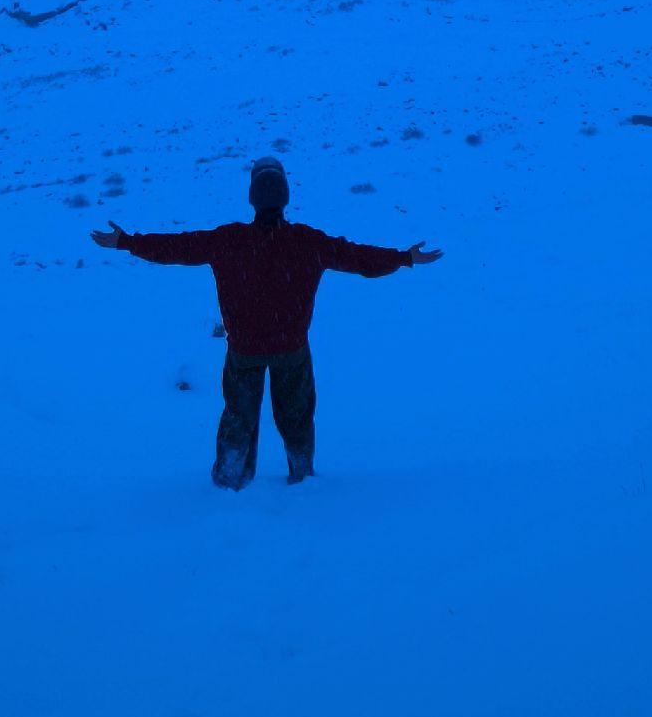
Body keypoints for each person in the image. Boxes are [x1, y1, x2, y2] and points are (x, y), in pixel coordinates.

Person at [93, 157, 442, 487]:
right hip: (291, 348)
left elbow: (176, 247)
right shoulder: (308, 242)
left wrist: (126, 242)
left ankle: (230, 481)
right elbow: (358, 258)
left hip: (245, 349)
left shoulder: (228, 241)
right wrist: (403, 258)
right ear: (286, 197)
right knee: (297, 418)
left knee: (238, 418)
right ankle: (302, 476)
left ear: (252, 199)